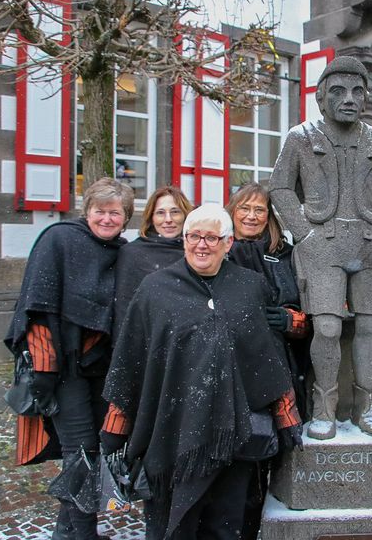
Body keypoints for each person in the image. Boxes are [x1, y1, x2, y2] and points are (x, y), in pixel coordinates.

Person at [101, 205, 302, 540]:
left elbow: (266, 355)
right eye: (195, 236)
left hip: (235, 436)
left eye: (212, 237)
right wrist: (114, 429)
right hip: (171, 433)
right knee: (173, 527)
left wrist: (286, 417)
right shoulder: (155, 289)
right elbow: (132, 359)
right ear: (184, 240)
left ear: (228, 243)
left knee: (225, 526)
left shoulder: (249, 286)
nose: (202, 244)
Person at [269, 56, 372, 440]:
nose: (349, 98)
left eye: (357, 91)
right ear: (320, 98)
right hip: (323, 245)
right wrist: (304, 233)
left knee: (370, 325)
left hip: (369, 244)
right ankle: (324, 408)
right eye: (338, 91)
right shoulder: (301, 137)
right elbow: (280, 187)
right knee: (327, 327)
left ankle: (367, 406)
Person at [5, 178, 134, 540]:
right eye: (100, 211)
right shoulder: (59, 240)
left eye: (115, 213)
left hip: (100, 368)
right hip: (63, 370)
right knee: (82, 452)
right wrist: (44, 371)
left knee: (90, 448)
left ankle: (67, 530)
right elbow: (37, 307)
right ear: (87, 210)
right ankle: (82, 533)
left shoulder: (122, 252)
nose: (106, 219)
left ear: (125, 218)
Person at [225, 183, 311, 540]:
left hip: (275, 366)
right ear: (232, 211)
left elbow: (307, 313)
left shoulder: (286, 254)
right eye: (244, 208)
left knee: (263, 458)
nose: (251, 215)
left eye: (259, 209)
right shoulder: (218, 248)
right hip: (228, 369)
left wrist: (290, 321)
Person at [113, 186, 193, 338]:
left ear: (185, 215)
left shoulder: (196, 251)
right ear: (151, 218)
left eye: (175, 212)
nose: (168, 219)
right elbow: (124, 307)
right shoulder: (133, 253)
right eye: (160, 213)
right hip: (147, 338)